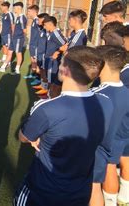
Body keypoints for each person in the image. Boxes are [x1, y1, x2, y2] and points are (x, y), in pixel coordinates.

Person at [15, 46, 112, 206]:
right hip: (80, 192)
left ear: (65, 70)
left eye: (61, 62)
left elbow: (24, 137)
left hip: (43, 192)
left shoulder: (47, 108)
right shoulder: (106, 103)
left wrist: (36, 131)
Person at [90, 46, 129, 206]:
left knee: (96, 185)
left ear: (103, 64)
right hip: (121, 137)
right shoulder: (126, 91)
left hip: (102, 145)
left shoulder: (98, 95)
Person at [0, 2, 27, 74]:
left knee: (18, 54)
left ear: (19, 8)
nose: (14, 9)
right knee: (9, 52)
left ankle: (17, 69)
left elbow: (25, 31)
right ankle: (3, 67)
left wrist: (20, 37)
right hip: (14, 38)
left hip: (18, 39)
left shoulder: (22, 18)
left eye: (15, 8)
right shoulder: (18, 17)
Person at [42, 16, 67, 98]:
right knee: (49, 79)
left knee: (52, 80)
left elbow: (66, 45)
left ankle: (51, 97)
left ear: (50, 24)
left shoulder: (56, 33)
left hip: (53, 62)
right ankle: (49, 94)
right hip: (49, 60)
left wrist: (58, 52)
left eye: (45, 25)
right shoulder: (51, 33)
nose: (44, 27)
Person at [32, 13, 50, 95]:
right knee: (41, 71)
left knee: (44, 71)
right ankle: (42, 85)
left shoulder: (48, 31)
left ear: (43, 20)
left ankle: (45, 88)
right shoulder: (42, 29)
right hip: (39, 54)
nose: (37, 21)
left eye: (39, 19)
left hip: (44, 55)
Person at [25, 5, 40, 79]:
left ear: (34, 12)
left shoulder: (37, 21)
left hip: (36, 45)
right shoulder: (34, 20)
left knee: (36, 61)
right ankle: (33, 75)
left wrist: (37, 44)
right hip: (32, 44)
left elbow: (41, 33)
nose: (28, 13)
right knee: (33, 60)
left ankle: (38, 78)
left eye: (29, 11)